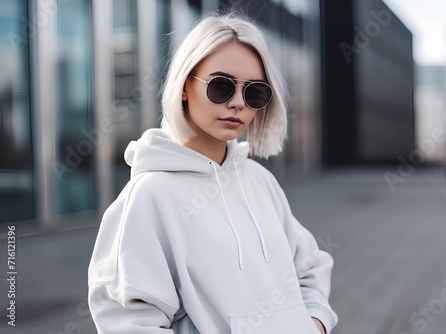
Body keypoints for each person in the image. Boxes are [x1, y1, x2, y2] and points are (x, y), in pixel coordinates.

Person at [88, 13, 338, 334]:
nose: (237, 103)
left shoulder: (259, 180)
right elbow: (127, 322)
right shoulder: (150, 194)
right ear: (184, 86)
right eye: (221, 86)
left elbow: (310, 267)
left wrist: (312, 324)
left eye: (254, 92)